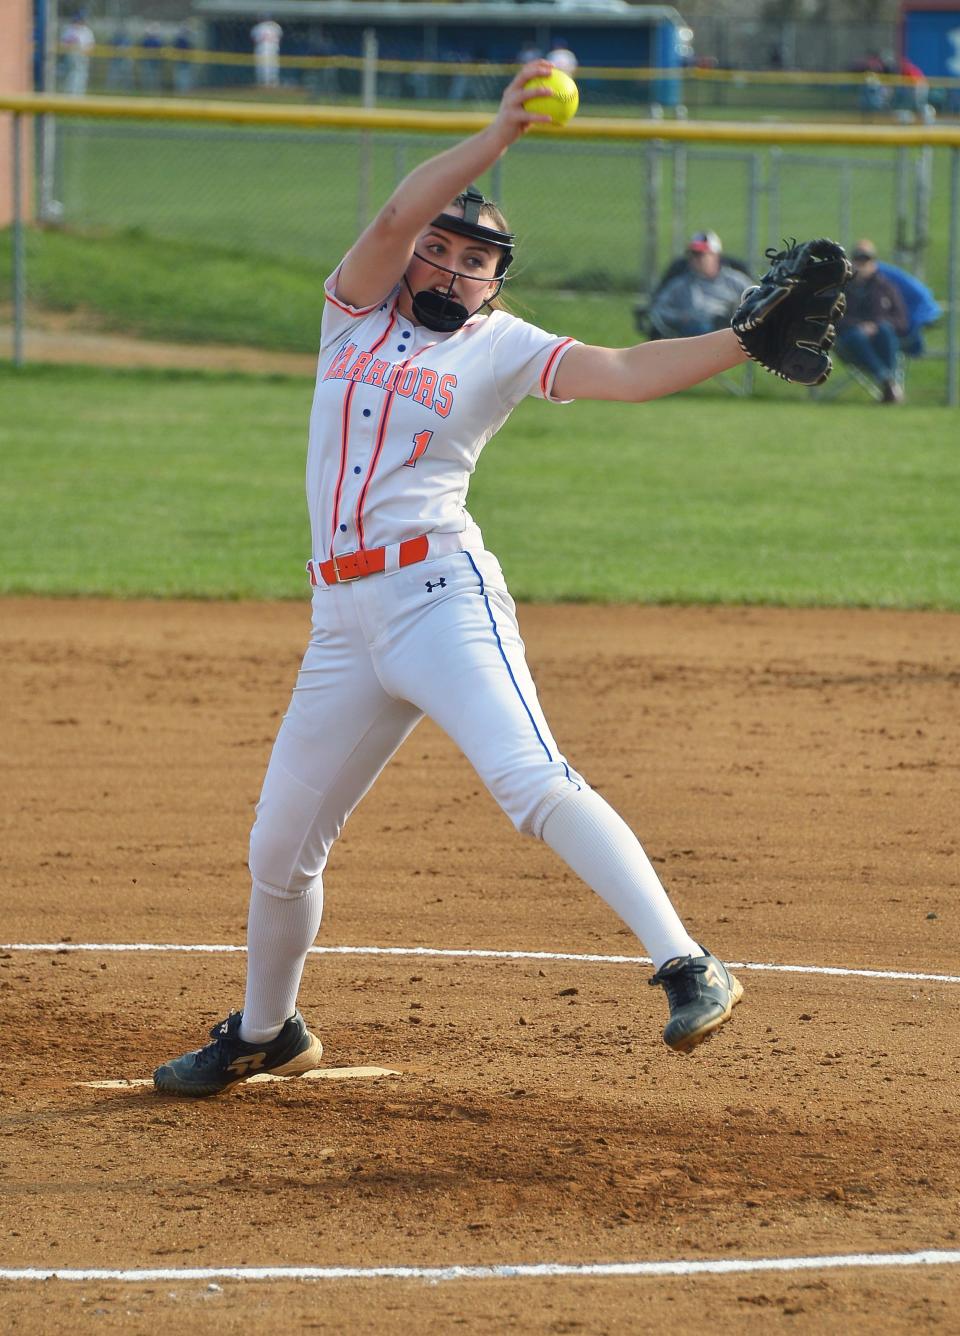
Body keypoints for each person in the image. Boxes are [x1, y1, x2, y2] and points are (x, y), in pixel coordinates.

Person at [153, 60, 753, 1098]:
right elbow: (395, 208)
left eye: (473, 259)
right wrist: (496, 139)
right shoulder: (352, 311)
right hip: (341, 618)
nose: (447, 266)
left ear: (496, 281)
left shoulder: (504, 347)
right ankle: (267, 1029)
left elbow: (624, 372)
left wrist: (745, 339)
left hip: (440, 596)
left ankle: (688, 963)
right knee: (281, 845)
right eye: (437, 248)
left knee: (528, 778)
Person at [836, 239, 910, 403]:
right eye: (857, 259)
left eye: (866, 259)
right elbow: (834, 318)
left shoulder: (886, 287)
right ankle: (889, 382)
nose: (862, 264)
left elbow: (902, 321)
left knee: (885, 330)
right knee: (857, 335)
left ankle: (886, 382)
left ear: (874, 262)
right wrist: (859, 326)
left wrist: (876, 325)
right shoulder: (842, 288)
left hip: (882, 340)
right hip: (852, 341)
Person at [649, 231, 753, 339]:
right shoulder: (680, 285)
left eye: (700, 254)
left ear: (715, 255)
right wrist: (681, 318)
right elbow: (658, 309)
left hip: (734, 332)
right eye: (693, 254)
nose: (695, 259)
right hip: (696, 336)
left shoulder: (734, 280)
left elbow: (757, 299)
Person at [61, 13, 95, 96]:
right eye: (75, 21)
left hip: (83, 57)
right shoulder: (69, 30)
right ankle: (69, 95)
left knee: (81, 76)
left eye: (79, 21)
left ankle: (79, 96)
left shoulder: (87, 31)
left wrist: (85, 52)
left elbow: (91, 45)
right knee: (70, 75)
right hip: (71, 57)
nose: (77, 23)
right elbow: (63, 43)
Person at [251, 16, 283, 88]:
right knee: (273, 65)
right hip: (273, 48)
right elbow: (280, 38)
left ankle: (263, 83)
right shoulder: (276, 26)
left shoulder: (257, 27)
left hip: (261, 48)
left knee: (262, 66)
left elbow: (254, 40)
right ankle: (273, 83)